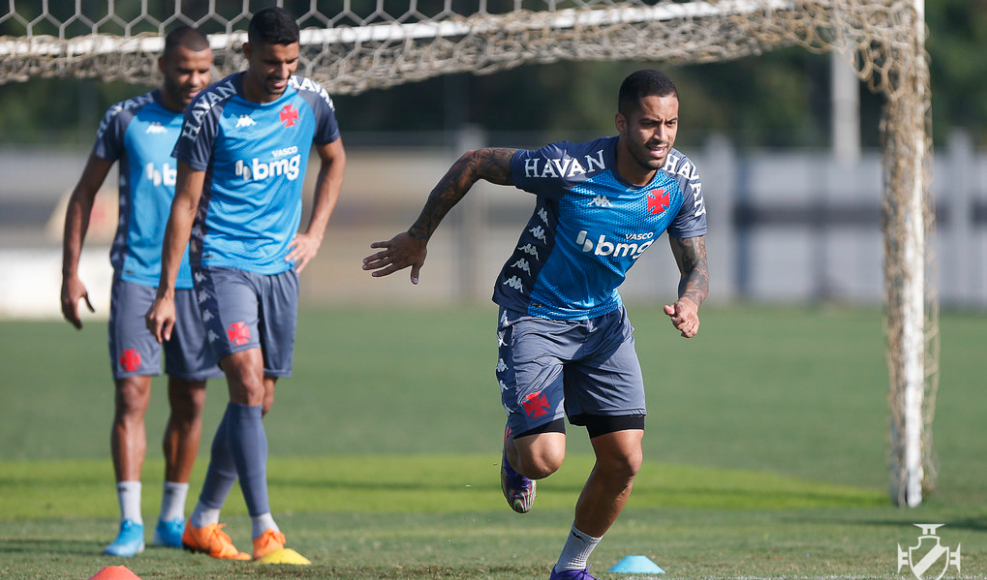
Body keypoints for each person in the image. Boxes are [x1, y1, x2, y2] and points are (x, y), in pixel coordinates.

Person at [363, 69, 708, 579]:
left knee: (624, 462)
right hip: (535, 316)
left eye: (671, 124)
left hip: (604, 325)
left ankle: (570, 569)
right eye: (648, 124)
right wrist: (419, 235)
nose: (661, 137)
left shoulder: (681, 180)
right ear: (621, 122)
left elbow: (696, 264)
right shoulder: (570, 166)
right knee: (543, 459)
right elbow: (476, 161)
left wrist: (691, 301)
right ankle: (515, 444)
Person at [145, 6, 346, 562]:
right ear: (246, 54)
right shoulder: (211, 109)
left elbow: (334, 158)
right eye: (270, 62)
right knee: (248, 387)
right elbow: (184, 204)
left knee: (258, 402)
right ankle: (265, 531)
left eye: (290, 61)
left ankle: (203, 521)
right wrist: (167, 289)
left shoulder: (309, 100)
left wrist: (315, 233)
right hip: (222, 265)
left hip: (280, 269)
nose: (281, 72)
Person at [60, 27, 217, 557]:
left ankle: (171, 519)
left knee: (190, 397)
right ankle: (130, 522)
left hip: (199, 281)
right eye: (183, 70)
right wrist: (71, 271)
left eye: (203, 71)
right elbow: (85, 192)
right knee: (132, 394)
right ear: (162, 67)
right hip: (136, 279)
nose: (194, 80)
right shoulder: (125, 118)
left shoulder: (221, 118)